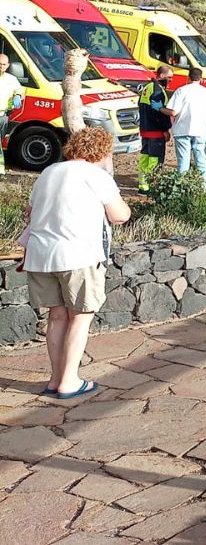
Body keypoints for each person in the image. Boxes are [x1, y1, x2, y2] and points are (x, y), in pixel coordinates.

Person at [23, 127, 130, 398]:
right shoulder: (97, 175)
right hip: (79, 254)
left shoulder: (49, 171)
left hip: (41, 255)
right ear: (102, 151)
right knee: (81, 317)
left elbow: (29, 212)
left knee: (56, 316)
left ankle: (55, 378)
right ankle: (70, 381)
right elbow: (119, 215)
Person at [165, 68, 206, 186]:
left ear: (188, 78)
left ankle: (182, 188)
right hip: (200, 131)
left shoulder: (181, 91)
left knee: (183, 162)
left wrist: (161, 110)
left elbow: (173, 112)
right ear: (201, 79)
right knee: (201, 161)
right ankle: (203, 189)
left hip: (182, 130)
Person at [136, 65, 173, 193]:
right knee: (155, 159)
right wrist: (165, 130)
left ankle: (143, 186)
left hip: (145, 130)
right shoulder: (157, 90)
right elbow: (158, 113)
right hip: (155, 132)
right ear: (162, 76)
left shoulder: (147, 87)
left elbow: (140, 106)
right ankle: (152, 186)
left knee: (144, 158)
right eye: (169, 78)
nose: (171, 80)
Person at [0, 53, 25, 176]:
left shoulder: (11, 79)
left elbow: (20, 91)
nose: (1, 66)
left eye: (4, 64)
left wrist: (18, 96)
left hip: (3, 116)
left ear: (8, 65)